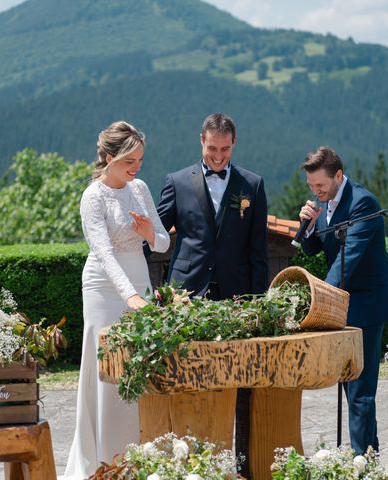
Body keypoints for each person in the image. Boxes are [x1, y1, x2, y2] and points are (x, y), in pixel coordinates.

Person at [156, 112, 269, 477]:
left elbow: (258, 252)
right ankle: (186, 465)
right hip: (187, 294)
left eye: (224, 149)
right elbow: (155, 236)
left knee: (240, 383)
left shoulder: (252, 184)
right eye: (211, 149)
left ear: (234, 143)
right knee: (188, 379)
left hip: (237, 299)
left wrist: (258, 305)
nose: (218, 156)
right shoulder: (176, 181)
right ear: (200, 141)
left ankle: (242, 466)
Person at [62, 121, 170, 479]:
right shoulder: (92, 197)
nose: (136, 167)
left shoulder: (139, 189)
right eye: (128, 161)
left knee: (140, 365)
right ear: (108, 158)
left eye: (139, 160)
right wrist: (128, 296)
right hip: (103, 288)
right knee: (106, 369)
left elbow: (163, 244)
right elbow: (104, 253)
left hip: (140, 278)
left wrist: (148, 233)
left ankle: (138, 454)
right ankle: (103, 461)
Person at [298, 146, 388, 455]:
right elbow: (312, 249)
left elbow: (348, 258)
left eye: (321, 186)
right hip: (344, 306)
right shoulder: (326, 202)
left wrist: (320, 299)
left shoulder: (363, 202)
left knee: (360, 391)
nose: (316, 192)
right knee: (350, 386)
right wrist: (309, 226)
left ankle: (361, 462)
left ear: (338, 175)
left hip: (366, 307)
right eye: (312, 187)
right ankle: (369, 455)